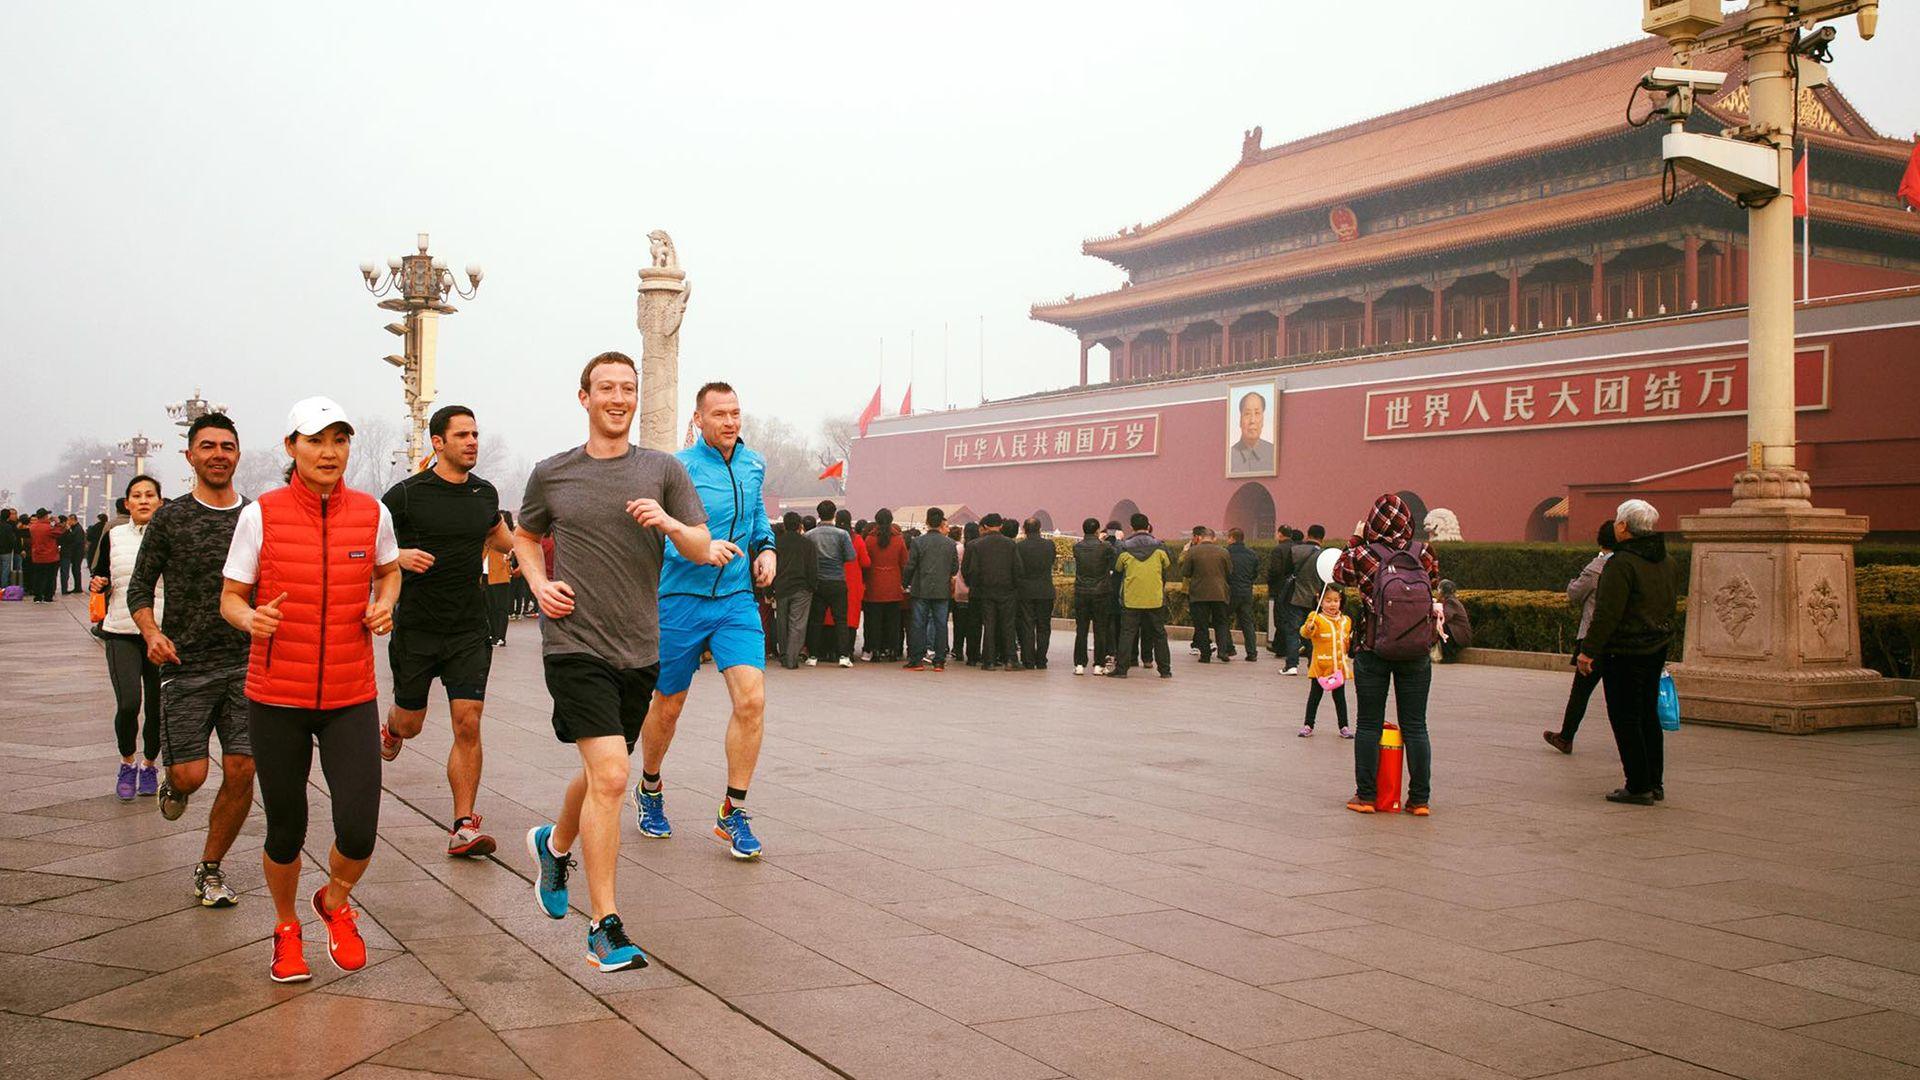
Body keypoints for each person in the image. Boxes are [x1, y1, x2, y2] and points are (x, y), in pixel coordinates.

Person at [515, 351, 713, 973]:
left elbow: (702, 545)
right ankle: (605, 926)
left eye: (628, 388)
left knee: (606, 771)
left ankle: (555, 842)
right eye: (606, 388)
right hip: (574, 643)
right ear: (584, 398)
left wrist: (669, 522)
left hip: (639, 645)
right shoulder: (553, 473)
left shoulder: (662, 470)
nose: (619, 397)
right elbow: (523, 534)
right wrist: (539, 582)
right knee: (610, 776)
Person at [217, 397, 400, 983]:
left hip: (350, 691)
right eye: (316, 440)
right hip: (277, 695)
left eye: (339, 440)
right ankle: (285, 927)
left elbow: (388, 569)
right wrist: (250, 621)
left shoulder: (371, 513)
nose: (329, 452)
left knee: (358, 825)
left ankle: (336, 899)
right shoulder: (261, 515)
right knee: (286, 825)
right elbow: (230, 597)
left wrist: (384, 604)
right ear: (291, 447)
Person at [636, 381, 777, 861]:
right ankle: (650, 787)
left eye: (736, 412)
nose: (730, 422)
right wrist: (697, 547)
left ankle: (733, 811)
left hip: (736, 598)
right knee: (669, 705)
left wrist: (767, 549)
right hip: (681, 597)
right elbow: (662, 530)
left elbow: (757, 515)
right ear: (699, 419)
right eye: (719, 414)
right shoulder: (679, 467)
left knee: (752, 700)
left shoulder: (754, 463)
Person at [128, 412, 257, 906]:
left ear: (238, 454)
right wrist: (152, 633)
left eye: (227, 445)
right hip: (186, 665)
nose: (218, 454)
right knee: (192, 775)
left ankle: (211, 868)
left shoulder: (256, 516)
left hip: (247, 663)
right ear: (190, 456)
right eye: (208, 446)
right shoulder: (170, 518)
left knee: (243, 768)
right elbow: (140, 587)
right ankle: (174, 784)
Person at [378, 405, 516, 858]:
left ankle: (463, 825)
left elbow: (501, 536)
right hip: (417, 628)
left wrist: (528, 555)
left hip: (468, 629)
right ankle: (393, 728)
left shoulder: (483, 493)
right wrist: (399, 557)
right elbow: (366, 545)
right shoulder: (405, 495)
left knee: (468, 722)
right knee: (411, 723)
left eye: (476, 433)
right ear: (438, 442)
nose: (472, 441)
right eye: (462, 435)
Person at [1332, 494, 1441, 817]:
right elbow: (1432, 586)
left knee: (1368, 724)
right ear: (1408, 522)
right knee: (1416, 726)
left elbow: (1337, 574)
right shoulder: (1424, 552)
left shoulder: (1363, 553)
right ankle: (1419, 800)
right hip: (1416, 651)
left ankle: (1366, 796)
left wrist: (1356, 538)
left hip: (1372, 648)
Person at [1577, 500, 1679, 806]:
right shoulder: (1667, 561)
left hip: (1624, 651)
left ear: (1624, 527)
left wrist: (1588, 651)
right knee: (1648, 714)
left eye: (1619, 522)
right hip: (1655, 648)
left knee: (1625, 717)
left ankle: (1637, 784)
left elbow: (1607, 613)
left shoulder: (1621, 564)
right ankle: (1654, 781)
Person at [90, 476, 166, 799]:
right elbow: (101, 574)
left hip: (161, 635)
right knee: (129, 703)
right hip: (121, 630)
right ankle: (127, 761)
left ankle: (149, 764)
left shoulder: (170, 537)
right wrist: (98, 583)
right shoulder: (114, 536)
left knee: (156, 706)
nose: (144, 500)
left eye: (150, 495)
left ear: (160, 502)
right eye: (137, 495)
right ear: (127, 503)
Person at [1545, 521, 1616, 754]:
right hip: (1622, 640)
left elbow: (1574, 594)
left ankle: (1566, 737)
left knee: (1580, 692)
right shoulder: (1632, 565)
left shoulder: (1596, 567)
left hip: (1592, 638)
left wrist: (1572, 582)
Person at [1111, 517, 1172, 678]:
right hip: (1155, 598)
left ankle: (1122, 669)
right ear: (1148, 526)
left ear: (1131, 527)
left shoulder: (1124, 547)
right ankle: (1165, 670)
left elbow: (1117, 567)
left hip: (1132, 597)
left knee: (1127, 633)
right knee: (1159, 634)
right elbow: (1167, 564)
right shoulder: (1160, 547)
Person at [961, 512, 1018, 670]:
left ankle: (989, 661)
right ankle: (1010, 660)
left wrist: (973, 584)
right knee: (1007, 625)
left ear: (985, 526)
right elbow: (1017, 569)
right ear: (1000, 526)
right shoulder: (1011, 545)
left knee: (989, 625)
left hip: (984, 590)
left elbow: (966, 570)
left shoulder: (975, 545)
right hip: (1006, 591)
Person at [903, 506, 957, 670]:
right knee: (941, 625)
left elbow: (910, 565)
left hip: (921, 589)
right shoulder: (949, 543)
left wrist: (904, 583)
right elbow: (954, 568)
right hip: (942, 590)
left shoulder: (918, 542)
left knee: (918, 624)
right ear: (941, 522)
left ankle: (917, 660)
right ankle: (939, 661)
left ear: (927, 521)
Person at [805, 500, 856, 667]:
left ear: (818, 514)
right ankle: (843, 655)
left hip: (817, 582)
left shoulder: (809, 535)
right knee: (841, 620)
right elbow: (850, 557)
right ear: (834, 514)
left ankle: (813, 655)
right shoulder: (842, 535)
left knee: (815, 620)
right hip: (837, 581)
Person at [1298, 585, 1354, 738]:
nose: (1332, 604)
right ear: (1320, 601)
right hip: (1320, 667)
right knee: (1315, 696)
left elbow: (1347, 642)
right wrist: (1309, 628)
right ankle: (1308, 725)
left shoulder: (1345, 621)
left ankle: (1344, 727)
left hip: (1339, 669)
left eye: (1336, 600)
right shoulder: (1316, 618)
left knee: (1340, 698)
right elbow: (1305, 632)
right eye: (1328, 600)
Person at [1070, 517, 1117, 675]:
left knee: (1081, 630)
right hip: (1101, 592)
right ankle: (1099, 664)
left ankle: (1079, 664)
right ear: (1097, 530)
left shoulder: (1077, 547)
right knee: (1100, 629)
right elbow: (1114, 558)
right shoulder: (1105, 547)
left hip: (1081, 592)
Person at [862, 508, 908, 662]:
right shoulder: (899, 539)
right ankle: (892, 650)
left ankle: (874, 649)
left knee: (873, 621)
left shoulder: (869, 539)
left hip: (874, 584)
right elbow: (904, 563)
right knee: (893, 621)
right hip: (893, 584)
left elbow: (865, 563)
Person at [1181, 527, 1233, 662]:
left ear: (1200, 537)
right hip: (1219, 592)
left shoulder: (1192, 551)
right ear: (1213, 537)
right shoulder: (1224, 552)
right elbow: (1229, 571)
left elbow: (1185, 572)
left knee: (1201, 625)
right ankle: (1223, 651)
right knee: (1221, 623)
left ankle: (1205, 655)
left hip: (1199, 593)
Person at [773, 511, 817, 668]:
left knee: (782, 623)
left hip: (781, 587)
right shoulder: (808, 544)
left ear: (784, 525)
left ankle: (784, 654)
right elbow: (812, 567)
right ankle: (792, 658)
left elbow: (771, 566)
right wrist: (813, 586)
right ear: (800, 526)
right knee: (797, 624)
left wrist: (769, 590)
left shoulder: (776, 543)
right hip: (802, 588)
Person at [1283, 526, 1326, 674]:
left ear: (1308, 535)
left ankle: (1291, 665)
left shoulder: (1295, 550)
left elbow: (1286, 571)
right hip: (1316, 600)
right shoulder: (1324, 555)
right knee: (1313, 632)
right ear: (1322, 538)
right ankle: (1312, 665)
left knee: (1293, 631)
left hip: (1296, 597)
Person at [1015, 517, 1057, 668]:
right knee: (1044, 626)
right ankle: (1041, 659)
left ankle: (1028, 659)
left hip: (1025, 591)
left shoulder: (1019, 547)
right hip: (1045, 590)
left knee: (1027, 625)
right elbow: (1051, 561)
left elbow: (1017, 568)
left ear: (1025, 529)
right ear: (1040, 529)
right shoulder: (1049, 545)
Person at [1224, 528, 1261, 662]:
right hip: (1246, 591)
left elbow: (1224, 572)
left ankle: (1229, 648)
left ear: (1232, 538)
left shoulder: (1226, 553)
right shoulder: (1252, 554)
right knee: (1247, 623)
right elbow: (1255, 573)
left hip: (1230, 591)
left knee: (1223, 619)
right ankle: (1252, 652)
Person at [1266, 527, 1301, 662]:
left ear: (1279, 534)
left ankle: (1281, 647)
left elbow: (1275, 570)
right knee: (1289, 617)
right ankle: (1280, 646)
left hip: (1280, 588)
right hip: (1294, 588)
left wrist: (1270, 582)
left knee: (1280, 618)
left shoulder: (1278, 549)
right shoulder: (1297, 548)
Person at [1228, 391, 1276, 475]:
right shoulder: (1230, 456)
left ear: (1263, 419)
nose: (1252, 420)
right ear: (1240, 420)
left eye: (1257, 413)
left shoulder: (1273, 453)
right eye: (1247, 414)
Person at [951, 521, 978, 664]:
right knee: (975, 625)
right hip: (975, 592)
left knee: (959, 624)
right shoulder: (979, 548)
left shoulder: (959, 549)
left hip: (960, 591)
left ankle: (957, 650)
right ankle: (973, 653)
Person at [26, 509, 64, 602]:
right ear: (45, 516)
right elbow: (60, 532)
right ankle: (48, 596)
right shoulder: (49, 528)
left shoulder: (32, 527)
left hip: (37, 557)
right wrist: (57, 522)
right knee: (50, 577)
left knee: (38, 577)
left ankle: (37, 596)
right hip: (50, 556)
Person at [1437, 580, 1472, 662]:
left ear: (1443, 590)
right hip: (1459, 634)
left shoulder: (1451, 602)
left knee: (1442, 627)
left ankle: (1450, 656)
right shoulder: (1450, 600)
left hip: (1461, 635)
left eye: (1439, 588)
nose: (1437, 591)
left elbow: (1445, 617)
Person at [60, 513, 88, 594]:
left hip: (77, 553)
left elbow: (75, 541)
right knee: (75, 569)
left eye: (69, 520)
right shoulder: (75, 528)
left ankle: (78, 587)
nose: (68, 522)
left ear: (73, 520)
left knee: (76, 569)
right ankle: (77, 587)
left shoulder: (78, 529)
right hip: (76, 552)